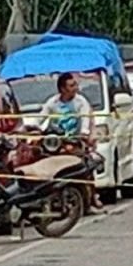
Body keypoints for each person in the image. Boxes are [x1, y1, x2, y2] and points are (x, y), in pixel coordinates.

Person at [39, 73, 103, 211]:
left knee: (85, 164)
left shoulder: (81, 102)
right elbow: (40, 119)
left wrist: (84, 134)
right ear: (62, 89)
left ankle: (92, 197)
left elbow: (85, 119)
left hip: (75, 141)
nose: (75, 88)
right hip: (56, 142)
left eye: (75, 85)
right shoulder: (52, 103)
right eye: (71, 85)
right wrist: (32, 129)